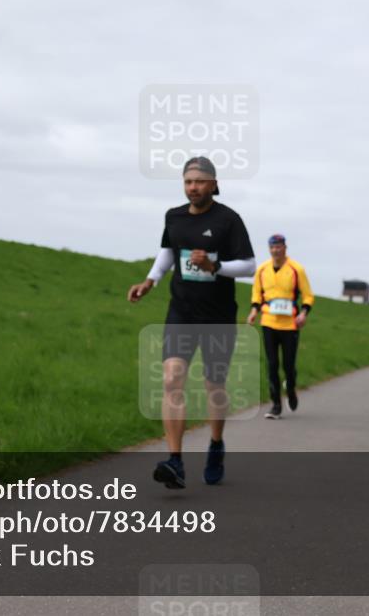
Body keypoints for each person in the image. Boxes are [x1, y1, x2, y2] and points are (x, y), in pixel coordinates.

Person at [128, 156, 254, 489]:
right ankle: (175, 461)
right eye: (187, 182)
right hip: (181, 311)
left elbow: (249, 265)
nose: (192, 188)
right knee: (172, 378)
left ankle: (215, 444)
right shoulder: (174, 217)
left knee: (214, 385)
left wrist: (215, 266)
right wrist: (150, 281)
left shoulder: (229, 220)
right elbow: (168, 252)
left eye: (199, 181)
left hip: (218, 315)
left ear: (213, 183)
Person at [247, 234, 314, 420]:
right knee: (272, 365)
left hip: (290, 324)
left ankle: (290, 389)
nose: (276, 250)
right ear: (269, 249)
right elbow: (256, 295)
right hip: (268, 322)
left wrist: (303, 313)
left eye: (279, 247)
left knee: (288, 365)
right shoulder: (262, 270)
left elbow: (308, 296)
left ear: (285, 248)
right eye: (272, 247)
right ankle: (276, 404)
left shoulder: (296, 269)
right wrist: (254, 311)